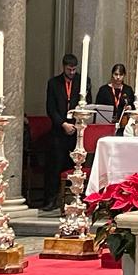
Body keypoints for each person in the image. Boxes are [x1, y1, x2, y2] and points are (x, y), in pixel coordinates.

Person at [43, 53, 91, 211]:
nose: (72, 72)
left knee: (75, 165)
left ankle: (74, 198)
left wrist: (77, 123)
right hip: (59, 129)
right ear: (63, 67)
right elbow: (51, 108)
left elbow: (87, 105)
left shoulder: (83, 81)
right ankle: (51, 199)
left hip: (77, 130)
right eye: (69, 69)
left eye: (74, 69)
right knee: (55, 165)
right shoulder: (54, 83)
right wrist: (63, 124)